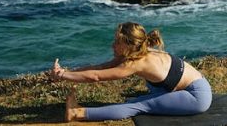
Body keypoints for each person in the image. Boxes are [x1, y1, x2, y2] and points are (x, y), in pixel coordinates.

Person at [48, 22, 212, 122]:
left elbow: (96, 77)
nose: (112, 45)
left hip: (196, 96)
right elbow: (100, 68)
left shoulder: (136, 63)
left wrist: (62, 76)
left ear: (127, 46)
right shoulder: (142, 50)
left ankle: (77, 113)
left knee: (138, 104)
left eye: (117, 42)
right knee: (147, 94)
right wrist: (66, 72)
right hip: (189, 87)